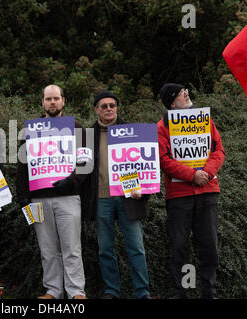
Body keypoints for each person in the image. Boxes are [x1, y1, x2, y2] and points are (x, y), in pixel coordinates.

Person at [16, 84, 87, 299]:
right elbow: (23, 166)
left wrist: (73, 181)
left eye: (56, 98)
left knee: (72, 248)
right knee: (47, 249)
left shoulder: (78, 128)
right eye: (48, 99)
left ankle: (76, 291)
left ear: (64, 101)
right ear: (43, 102)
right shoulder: (30, 130)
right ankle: (53, 291)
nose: (52, 102)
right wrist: (22, 195)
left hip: (68, 197)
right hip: (38, 199)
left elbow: (86, 161)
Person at [80, 90, 153, 299]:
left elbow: (146, 164)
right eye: (104, 106)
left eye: (112, 105)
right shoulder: (87, 135)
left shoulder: (132, 131)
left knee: (136, 247)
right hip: (101, 198)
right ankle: (112, 291)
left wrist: (144, 190)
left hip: (128, 196)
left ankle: (142, 292)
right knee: (105, 248)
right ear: (96, 110)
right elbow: (81, 169)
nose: (109, 109)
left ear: (117, 108)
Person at [157, 83, 225, 299]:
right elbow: (163, 159)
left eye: (186, 91)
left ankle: (208, 291)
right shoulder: (161, 127)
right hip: (179, 196)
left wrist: (205, 172)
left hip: (207, 192)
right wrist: (191, 175)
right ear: (171, 102)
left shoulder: (205, 121)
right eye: (180, 93)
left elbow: (218, 150)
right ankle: (183, 291)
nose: (186, 94)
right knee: (180, 246)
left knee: (209, 245)